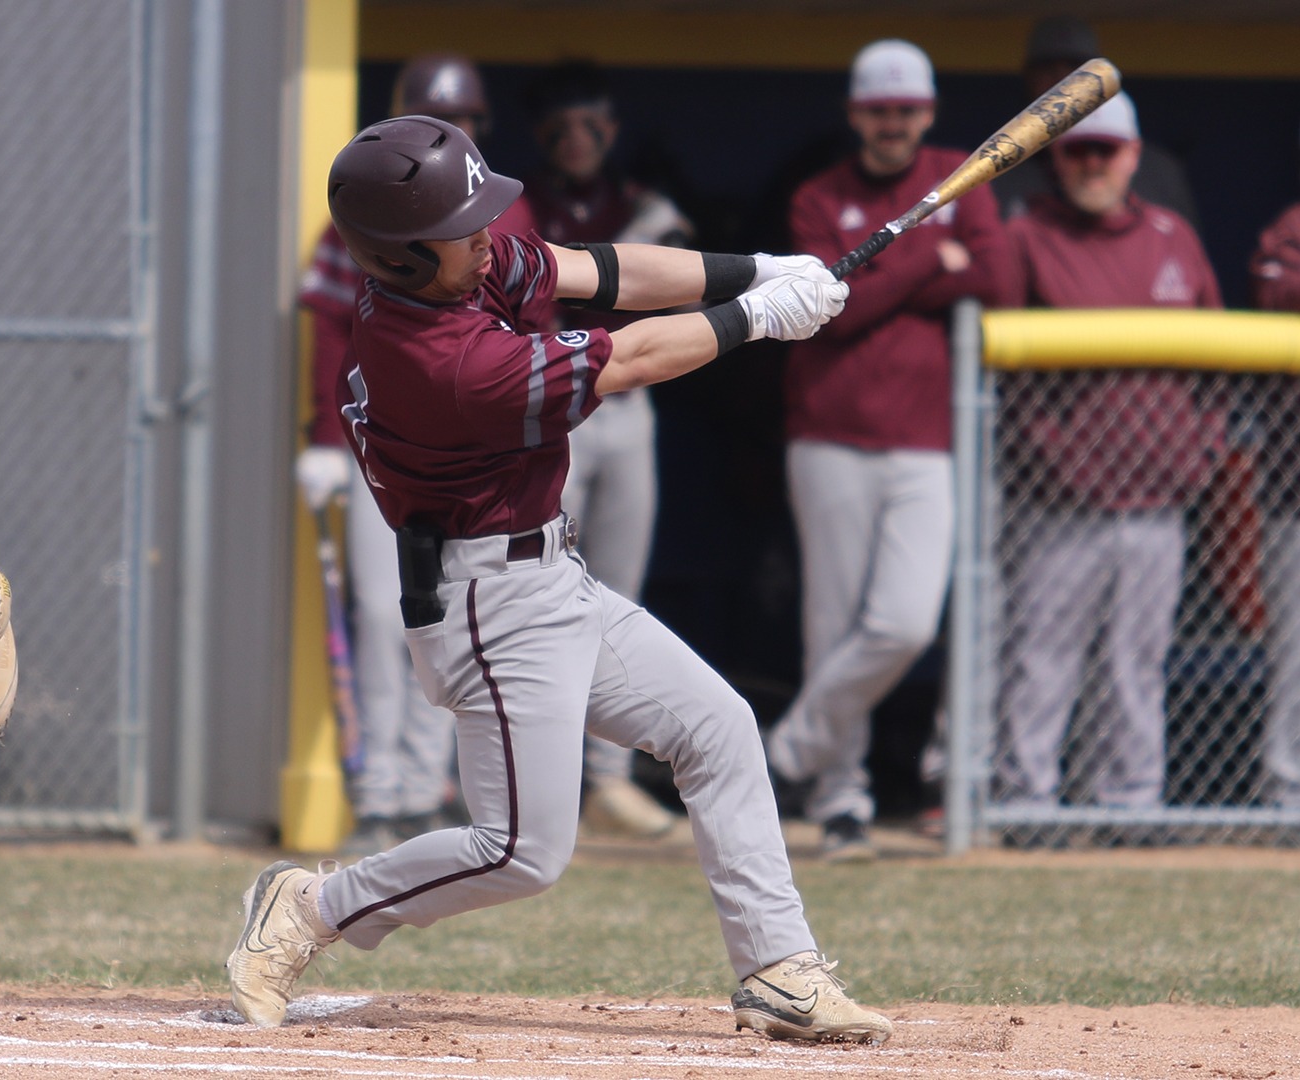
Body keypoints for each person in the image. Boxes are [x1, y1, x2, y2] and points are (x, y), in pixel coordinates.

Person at [230, 115, 892, 1046]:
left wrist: (755, 268)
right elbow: (636, 356)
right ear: (403, 256)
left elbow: (601, 270)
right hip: (488, 607)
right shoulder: (447, 365)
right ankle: (310, 908)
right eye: (461, 227)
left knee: (719, 726)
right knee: (520, 853)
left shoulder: (453, 263)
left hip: (551, 577)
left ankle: (778, 970)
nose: (484, 236)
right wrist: (757, 320)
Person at [766, 40, 1008, 862]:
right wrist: (927, 266)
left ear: (927, 112)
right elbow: (831, 309)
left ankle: (791, 748)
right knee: (832, 624)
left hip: (923, 436)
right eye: (879, 109)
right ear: (855, 115)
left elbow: (998, 277)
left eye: (906, 109)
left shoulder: (960, 175)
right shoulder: (817, 197)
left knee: (905, 622)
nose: (893, 123)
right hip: (828, 434)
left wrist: (888, 275)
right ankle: (841, 802)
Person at [295, 55, 535, 854]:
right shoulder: (362, 218)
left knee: (455, 617)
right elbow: (328, 324)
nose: (452, 136)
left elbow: (533, 338)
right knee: (381, 612)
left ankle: (433, 785)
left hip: (467, 455)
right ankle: (382, 790)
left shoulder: (507, 214)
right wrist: (322, 439)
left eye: (464, 120)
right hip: (378, 453)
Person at [993, 93, 1225, 838]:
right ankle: (1027, 804)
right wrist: (1053, 459)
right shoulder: (1027, 235)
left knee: (1137, 664)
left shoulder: (1172, 236)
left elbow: (1219, 360)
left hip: (1159, 498)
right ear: (1058, 158)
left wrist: (1205, 451)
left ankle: (1131, 805)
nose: (1092, 164)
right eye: (1077, 151)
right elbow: (998, 377)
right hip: (1058, 501)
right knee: (1043, 659)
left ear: (1133, 155)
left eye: (1106, 151)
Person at [520, 60, 691, 840]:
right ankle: (542, 777)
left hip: (630, 401)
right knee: (548, 586)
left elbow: (677, 282)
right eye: (560, 126)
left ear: (610, 129)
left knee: (620, 588)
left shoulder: (641, 201)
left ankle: (610, 780)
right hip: (555, 404)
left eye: (589, 123)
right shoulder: (520, 207)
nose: (576, 140)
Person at [993, 16, 1200, 228]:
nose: (1061, 79)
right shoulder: (1000, 172)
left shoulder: (1158, 172)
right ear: (1029, 79)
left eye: (1075, 68)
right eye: (1048, 70)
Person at [1249, 124, 1300, 811]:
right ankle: (1289, 795)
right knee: (1298, 659)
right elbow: (1279, 293)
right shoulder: (1290, 230)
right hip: (1298, 486)